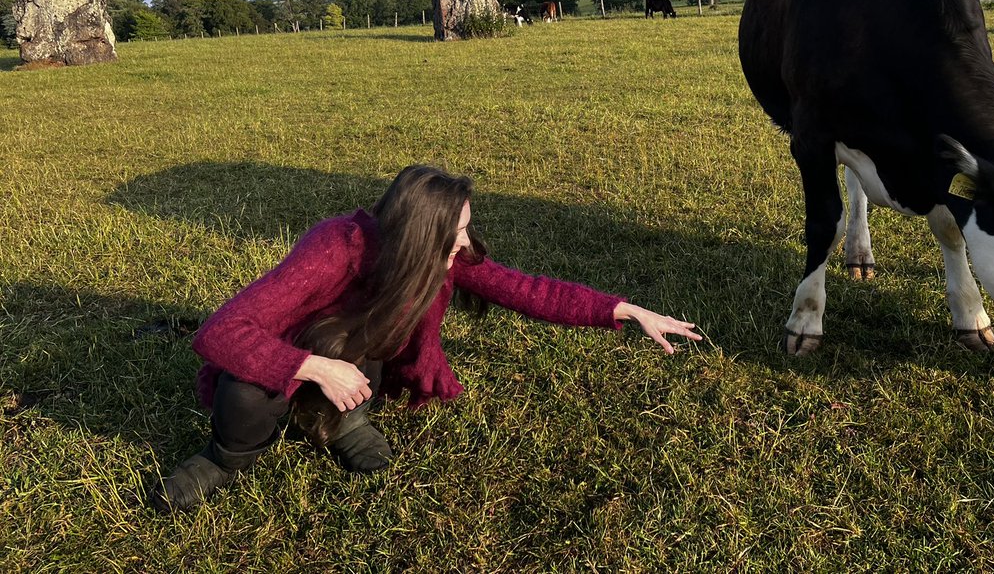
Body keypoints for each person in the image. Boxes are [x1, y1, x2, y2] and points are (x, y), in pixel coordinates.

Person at [150, 164, 701, 511]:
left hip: (357, 356)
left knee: (375, 340)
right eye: (458, 229)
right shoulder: (335, 247)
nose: (466, 241)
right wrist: (311, 367)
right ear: (420, 233)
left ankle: (345, 421)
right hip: (293, 356)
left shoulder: (443, 259)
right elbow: (220, 330)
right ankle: (223, 460)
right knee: (246, 390)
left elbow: (529, 290)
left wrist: (625, 310)